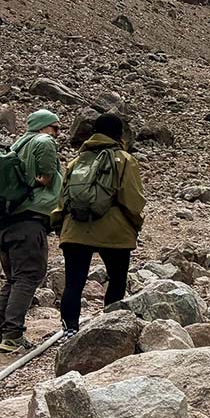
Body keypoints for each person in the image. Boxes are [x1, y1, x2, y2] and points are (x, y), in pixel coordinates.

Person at [53, 112, 146, 338]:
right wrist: (135, 225)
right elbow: (132, 199)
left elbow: (62, 200)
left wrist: (60, 227)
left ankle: (70, 330)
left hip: (75, 230)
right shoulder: (124, 160)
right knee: (116, 280)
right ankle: (110, 327)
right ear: (119, 134)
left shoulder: (76, 161)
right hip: (115, 231)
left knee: (74, 283)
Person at [0, 109, 62, 354]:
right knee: (28, 278)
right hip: (29, 223)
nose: (57, 133)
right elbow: (47, 173)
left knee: (13, 280)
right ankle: (13, 336)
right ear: (42, 127)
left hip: (3, 226)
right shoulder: (42, 141)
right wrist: (46, 178)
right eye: (54, 127)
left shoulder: (10, 150)